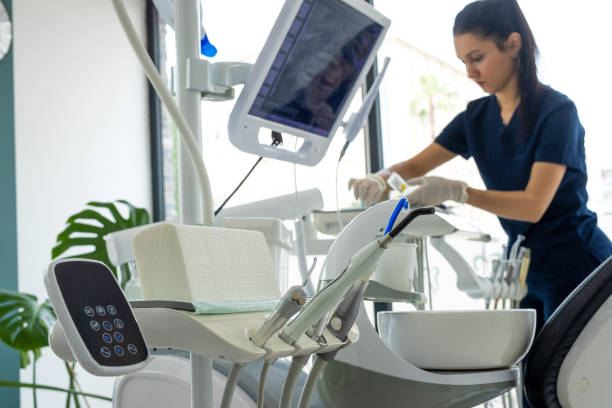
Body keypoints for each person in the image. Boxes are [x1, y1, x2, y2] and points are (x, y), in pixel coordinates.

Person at [349, 0, 612, 395]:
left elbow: (533, 204)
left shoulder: (557, 112)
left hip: (578, 264)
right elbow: (415, 164)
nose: (470, 72)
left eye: (477, 58)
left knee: (574, 387)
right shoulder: (476, 118)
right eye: (463, 61)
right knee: (532, 387)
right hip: (527, 269)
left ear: (513, 44)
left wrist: (461, 192)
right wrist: (380, 177)